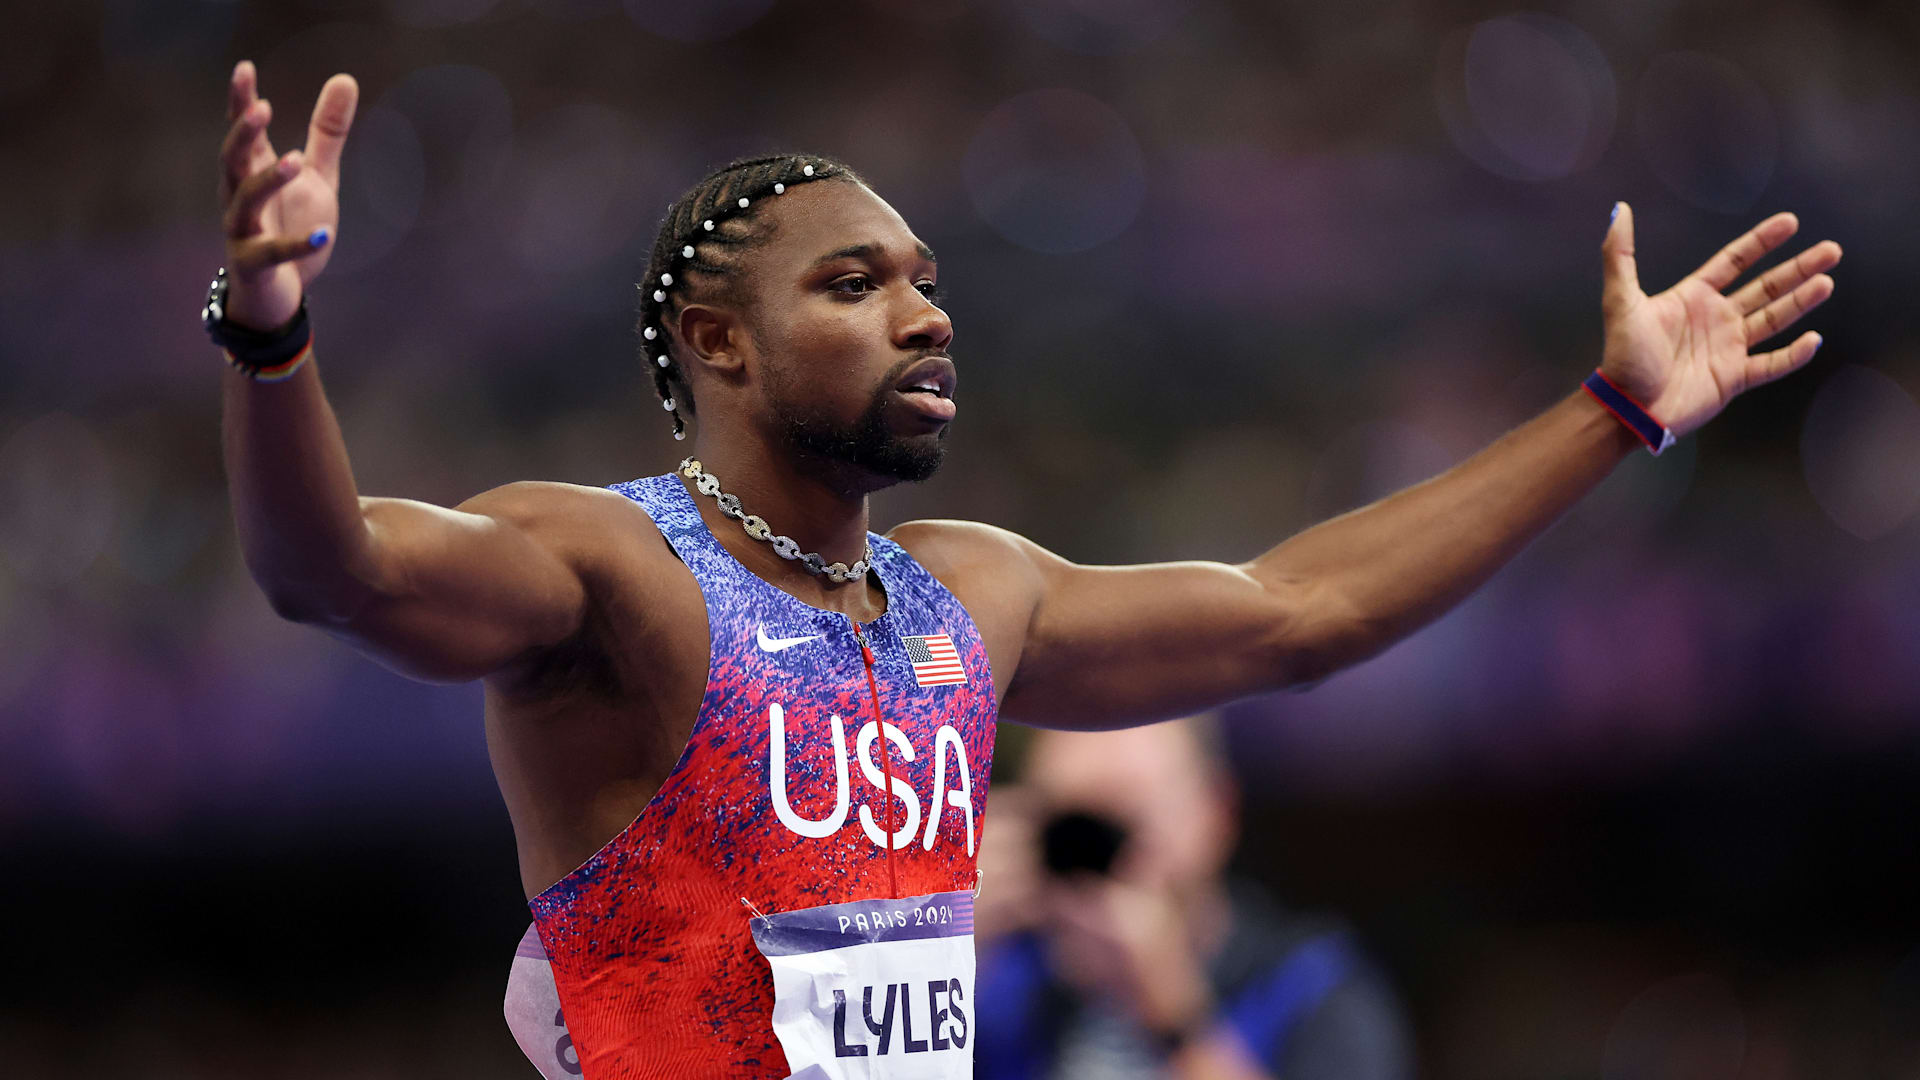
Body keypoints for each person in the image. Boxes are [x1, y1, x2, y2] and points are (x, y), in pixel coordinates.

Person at [210, 54, 1838, 1080]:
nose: (927, 314)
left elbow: (1303, 614)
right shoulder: (613, 568)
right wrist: (272, 339)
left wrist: (1615, 412)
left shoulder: (968, 594)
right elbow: (329, 573)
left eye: (925, 280)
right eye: (857, 284)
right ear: (717, 341)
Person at [971, 720, 1413, 1080]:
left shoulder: (1311, 986)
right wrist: (943, 942)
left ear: (1215, 813)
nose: (1096, 867)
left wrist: (1177, 1015)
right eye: (1069, 829)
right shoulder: (1005, 977)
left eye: (1125, 821)